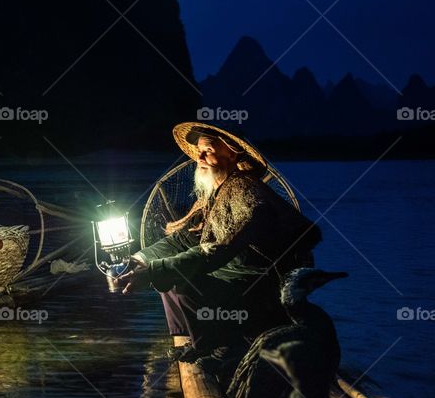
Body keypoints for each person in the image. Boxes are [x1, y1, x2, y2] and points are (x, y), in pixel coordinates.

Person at [118, 122, 320, 368]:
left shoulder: (244, 191)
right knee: (165, 273)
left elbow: (219, 249)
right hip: (235, 276)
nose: (200, 157)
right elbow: (185, 239)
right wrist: (140, 259)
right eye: (199, 151)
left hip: (262, 288)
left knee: (180, 278)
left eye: (209, 150)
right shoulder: (215, 194)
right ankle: (200, 341)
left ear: (232, 154)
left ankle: (227, 348)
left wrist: (156, 269)